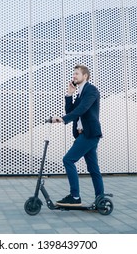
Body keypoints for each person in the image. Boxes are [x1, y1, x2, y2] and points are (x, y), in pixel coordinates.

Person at [51, 64, 104, 206]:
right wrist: (69, 94)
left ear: (85, 76)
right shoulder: (80, 92)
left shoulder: (91, 90)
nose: (73, 76)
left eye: (76, 74)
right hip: (84, 135)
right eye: (73, 74)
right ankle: (101, 197)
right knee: (93, 168)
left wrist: (63, 119)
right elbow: (71, 110)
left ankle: (75, 197)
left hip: (89, 134)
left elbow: (82, 109)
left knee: (68, 160)